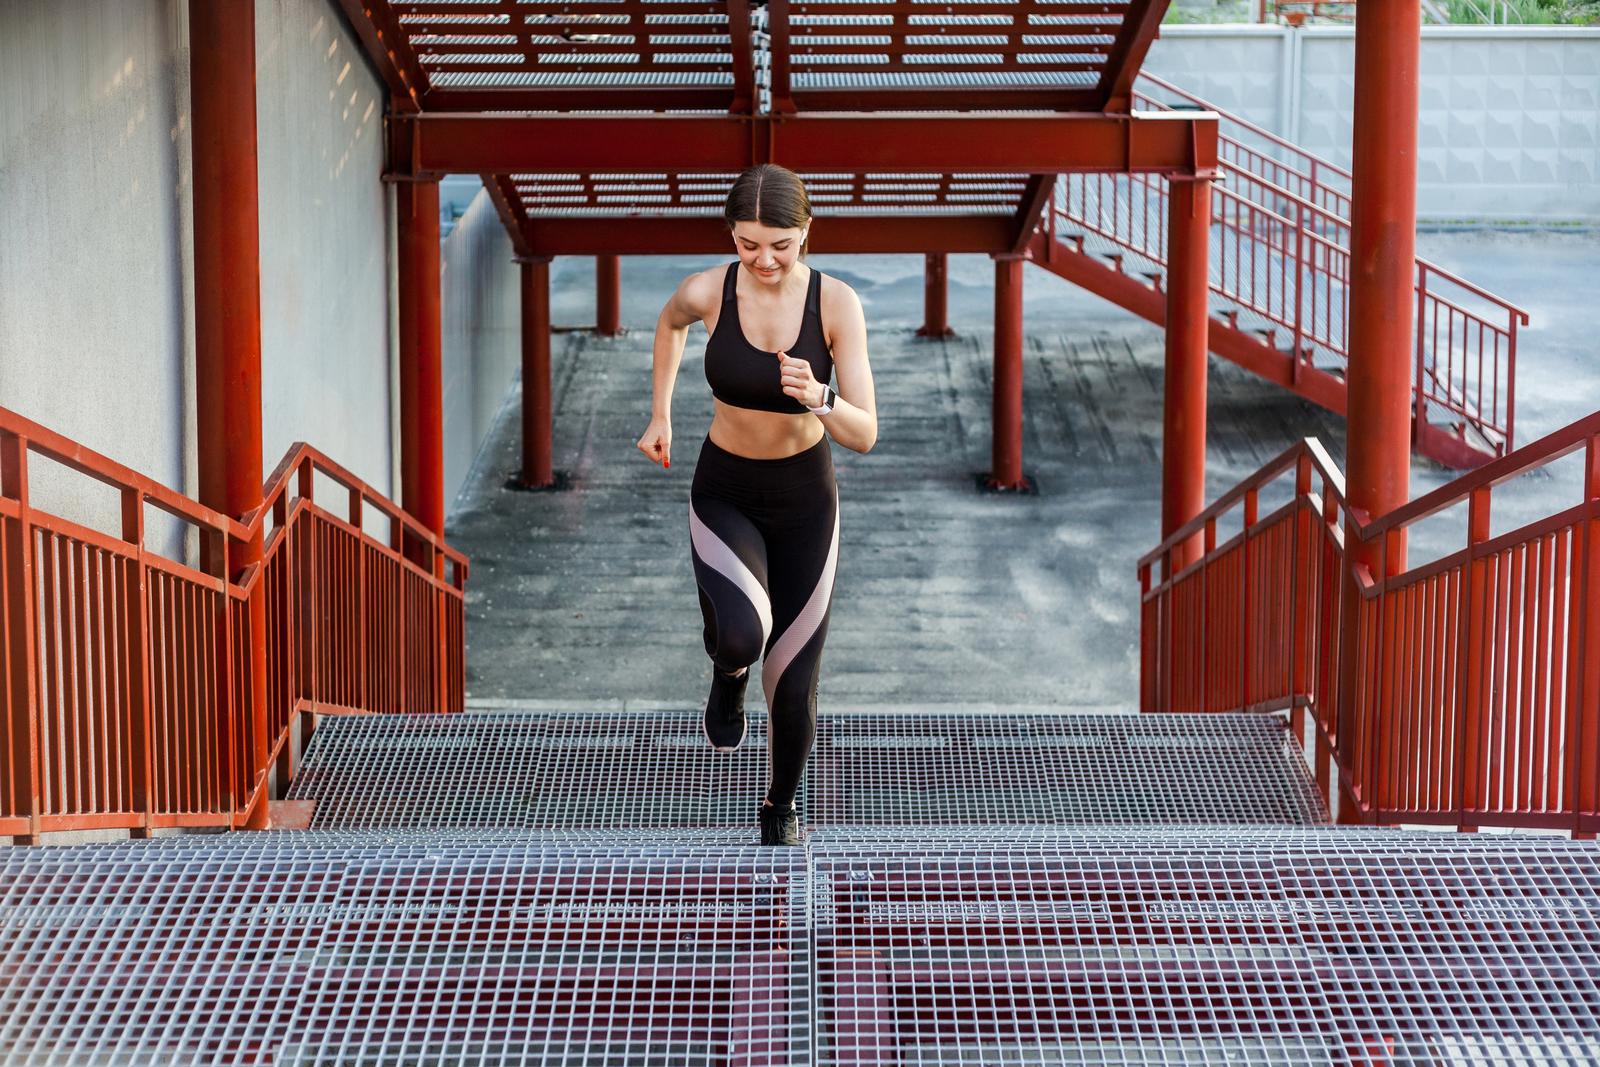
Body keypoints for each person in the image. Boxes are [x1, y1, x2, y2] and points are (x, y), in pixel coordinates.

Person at [636, 164, 878, 846]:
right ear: (731, 236)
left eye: (781, 244)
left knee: (795, 685)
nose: (764, 259)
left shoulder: (835, 306)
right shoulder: (709, 290)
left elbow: (866, 432)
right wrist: (661, 413)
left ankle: (780, 809)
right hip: (726, 491)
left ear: (807, 232)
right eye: (748, 244)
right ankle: (726, 672)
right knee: (742, 634)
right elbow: (669, 322)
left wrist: (822, 398)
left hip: (806, 501)